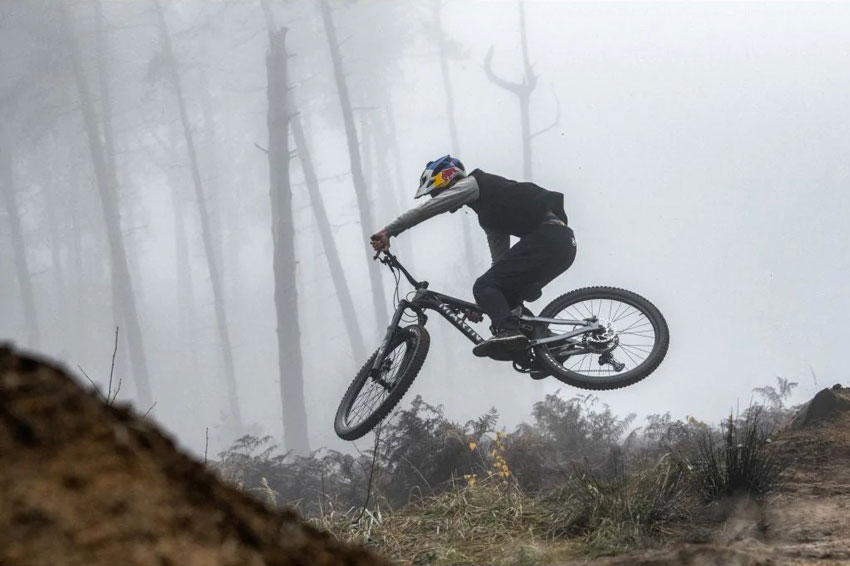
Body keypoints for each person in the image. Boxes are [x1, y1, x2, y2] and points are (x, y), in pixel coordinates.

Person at [370, 155, 576, 358]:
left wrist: (390, 231)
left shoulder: (473, 184)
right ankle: (555, 348)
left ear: (448, 179)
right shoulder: (488, 216)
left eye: (437, 193)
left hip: (550, 238)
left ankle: (510, 332)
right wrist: (488, 302)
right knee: (502, 297)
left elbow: (429, 210)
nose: (438, 199)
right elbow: (500, 263)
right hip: (562, 246)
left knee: (483, 286)